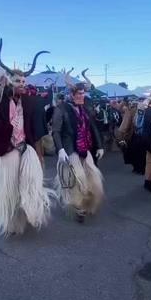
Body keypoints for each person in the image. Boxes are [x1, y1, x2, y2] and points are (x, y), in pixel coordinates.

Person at [0, 39, 54, 236]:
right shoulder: (2, 98)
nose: (21, 84)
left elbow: (44, 106)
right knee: (8, 190)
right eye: (17, 81)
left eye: (23, 81)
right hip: (7, 149)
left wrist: (51, 89)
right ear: (10, 81)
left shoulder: (28, 100)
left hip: (25, 147)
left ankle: (30, 212)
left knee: (31, 185)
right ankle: (11, 221)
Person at [52, 71, 105, 223]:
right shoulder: (62, 108)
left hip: (85, 148)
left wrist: (100, 146)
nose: (81, 96)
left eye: (83, 93)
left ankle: (88, 203)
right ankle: (78, 208)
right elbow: (56, 130)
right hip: (70, 149)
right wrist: (60, 149)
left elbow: (92, 127)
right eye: (78, 93)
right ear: (72, 94)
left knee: (94, 178)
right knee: (78, 179)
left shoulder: (85, 107)